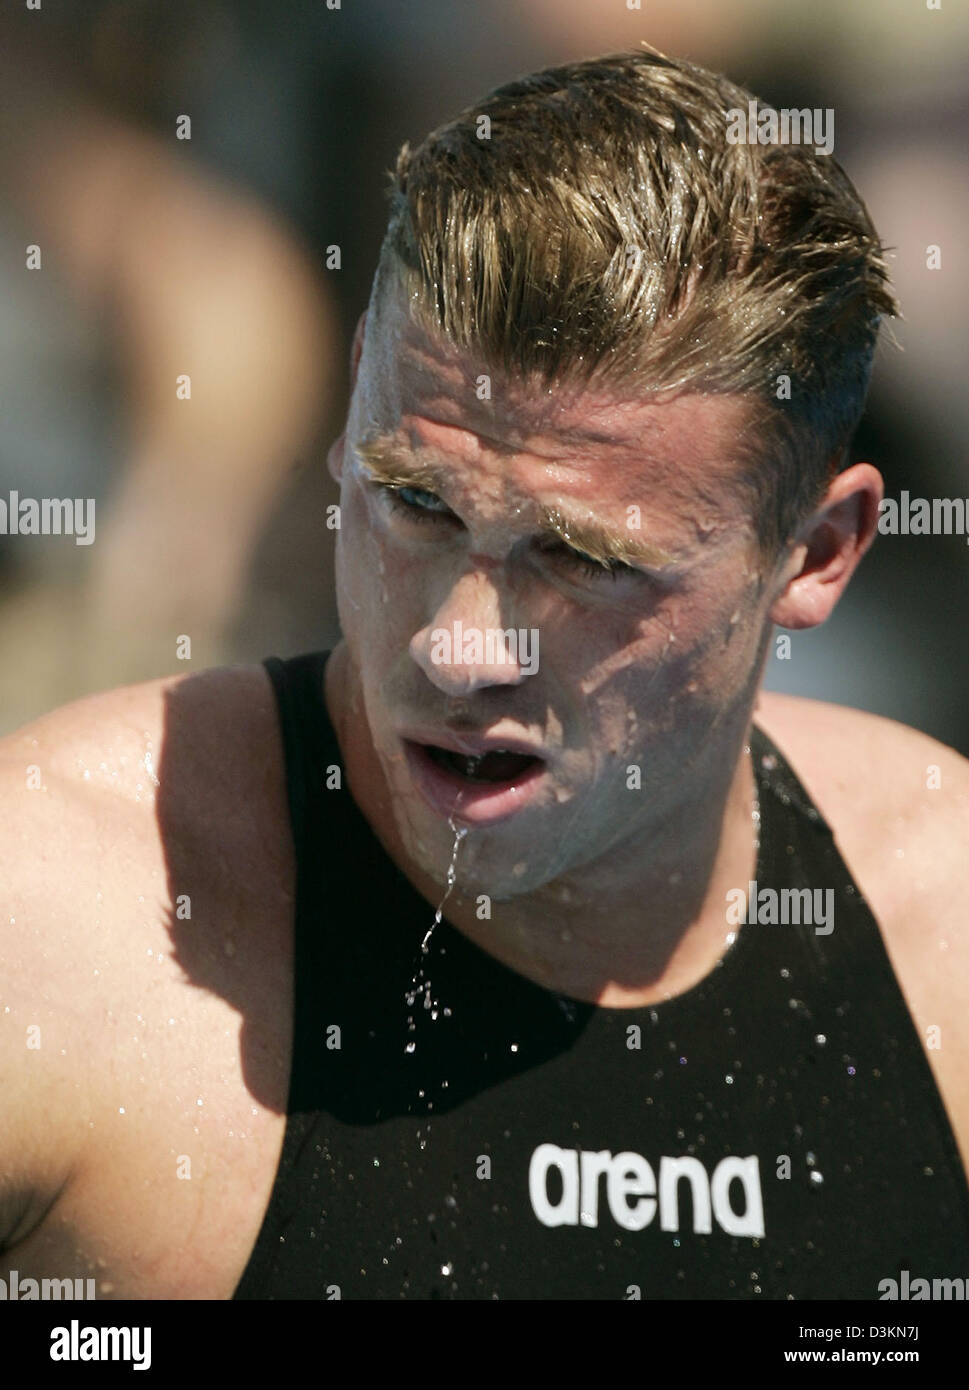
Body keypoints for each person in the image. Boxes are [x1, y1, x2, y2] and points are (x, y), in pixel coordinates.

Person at [1, 48, 967, 1302]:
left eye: (582, 560)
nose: (458, 646)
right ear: (355, 400)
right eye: (415, 500)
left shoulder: (940, 929)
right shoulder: (55, 921)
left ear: (818, 552)